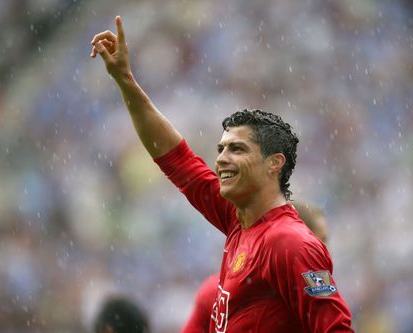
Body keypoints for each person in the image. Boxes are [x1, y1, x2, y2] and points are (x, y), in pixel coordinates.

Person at [90, 16, 353, 332]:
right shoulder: (237, 220)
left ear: (274, 164)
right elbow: (176, 159)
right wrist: (125, 81)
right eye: (221, 150)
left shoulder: (289, 243)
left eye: (237, 150)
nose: (222, 160)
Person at [181, 202, 330, 333]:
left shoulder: (319, 290)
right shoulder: (214, 293)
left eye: (325, 242)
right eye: (319, 242)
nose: (325, 251)